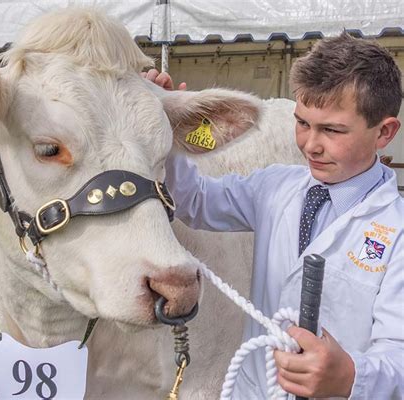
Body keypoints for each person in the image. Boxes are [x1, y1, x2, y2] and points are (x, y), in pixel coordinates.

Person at [150, 32, 403, 399]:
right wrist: (165, 126)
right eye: (302, 123)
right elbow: (195, 200)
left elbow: (397, 353)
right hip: (251, 390)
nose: (311, 145)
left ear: (385, 132)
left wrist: (350, 376)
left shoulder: (395, 233)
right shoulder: (275, 187)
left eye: (332, 130)